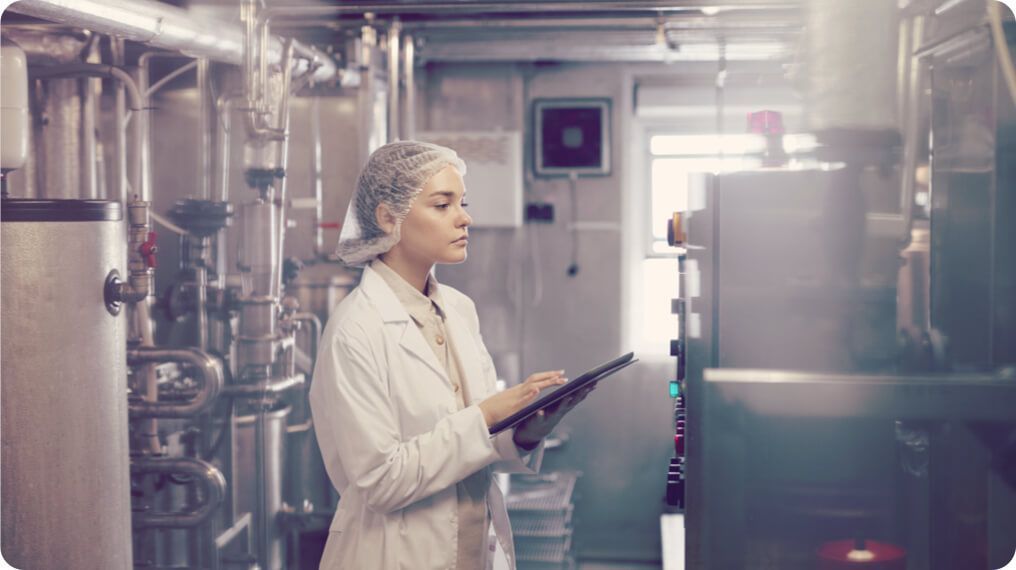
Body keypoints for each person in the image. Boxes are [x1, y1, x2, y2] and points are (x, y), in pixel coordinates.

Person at [310, 141, 596, 569]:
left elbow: (476, 449)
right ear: (389, 218)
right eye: (442, 205)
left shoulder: (459, 309)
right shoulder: (355, 330)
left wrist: (526, 431)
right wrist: (485, 415)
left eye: (462, 203)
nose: (465, 218)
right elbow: (380, 482)